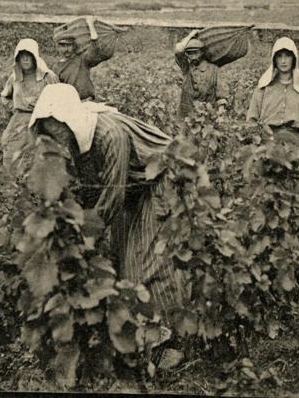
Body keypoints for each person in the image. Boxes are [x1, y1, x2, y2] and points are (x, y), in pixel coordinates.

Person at [28, 84, 184, 312]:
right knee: (120, 254)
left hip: (160, 180)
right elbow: (91, 188)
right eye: (51, 131)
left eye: (58, 128)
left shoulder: (110, 135)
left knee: (147, 263)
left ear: (69, 118)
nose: (57, 136)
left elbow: (112, 194)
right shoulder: (77, 136)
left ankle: (164, 329)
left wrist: (85, 238)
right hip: (132, 186)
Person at [246, 37, 299, 152]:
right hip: (270, 142)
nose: (283, 61)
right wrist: (257, 143)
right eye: (279, 56)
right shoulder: (264, 86)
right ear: (274, 59)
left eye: (287, 56)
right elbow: (251, 120)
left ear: (294, 58)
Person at [0, 38, 58, 175]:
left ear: (34, 57)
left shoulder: (47, 77)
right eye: (22, 55)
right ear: (17, 58)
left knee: (39, 153)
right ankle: (12, 184)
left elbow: (58, 97)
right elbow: (5, 96)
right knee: (10, 149)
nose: (25, 59)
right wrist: (14, 107)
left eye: (28, 55)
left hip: (42, 119)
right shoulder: (14, 78)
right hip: (20, 118)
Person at [51, 15, 115, 101]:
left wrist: (90, 25)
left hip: (87, 101)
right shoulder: (56, 68)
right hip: (69, 104)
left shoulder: (82, 59)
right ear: (57, 48)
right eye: (63, 46)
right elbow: (57, 91)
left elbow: (95, 47)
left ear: (74, 46)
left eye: (69, 45)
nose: (66, 49)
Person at [174, 30, 225, 117]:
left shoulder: (214, 70)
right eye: (190, 54)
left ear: (202, 52)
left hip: (207, 115)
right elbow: (178, 50)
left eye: (195, 53)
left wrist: (221, 112)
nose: (193, 56)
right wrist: (190, 36)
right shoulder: (186, 67)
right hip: (187, 115)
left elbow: (221, 93)